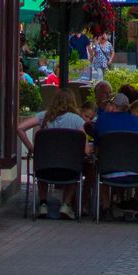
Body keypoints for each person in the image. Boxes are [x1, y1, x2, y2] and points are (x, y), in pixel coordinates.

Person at [29, 89, 89, 220]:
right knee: (76, 164)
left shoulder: (43, 116)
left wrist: (32, 148)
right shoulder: (77, 121)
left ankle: (43, 203)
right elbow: (85, 149)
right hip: (69, 170)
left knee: (42, 161)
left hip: (45, 170)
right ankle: (66, 204)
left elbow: (20, 127)